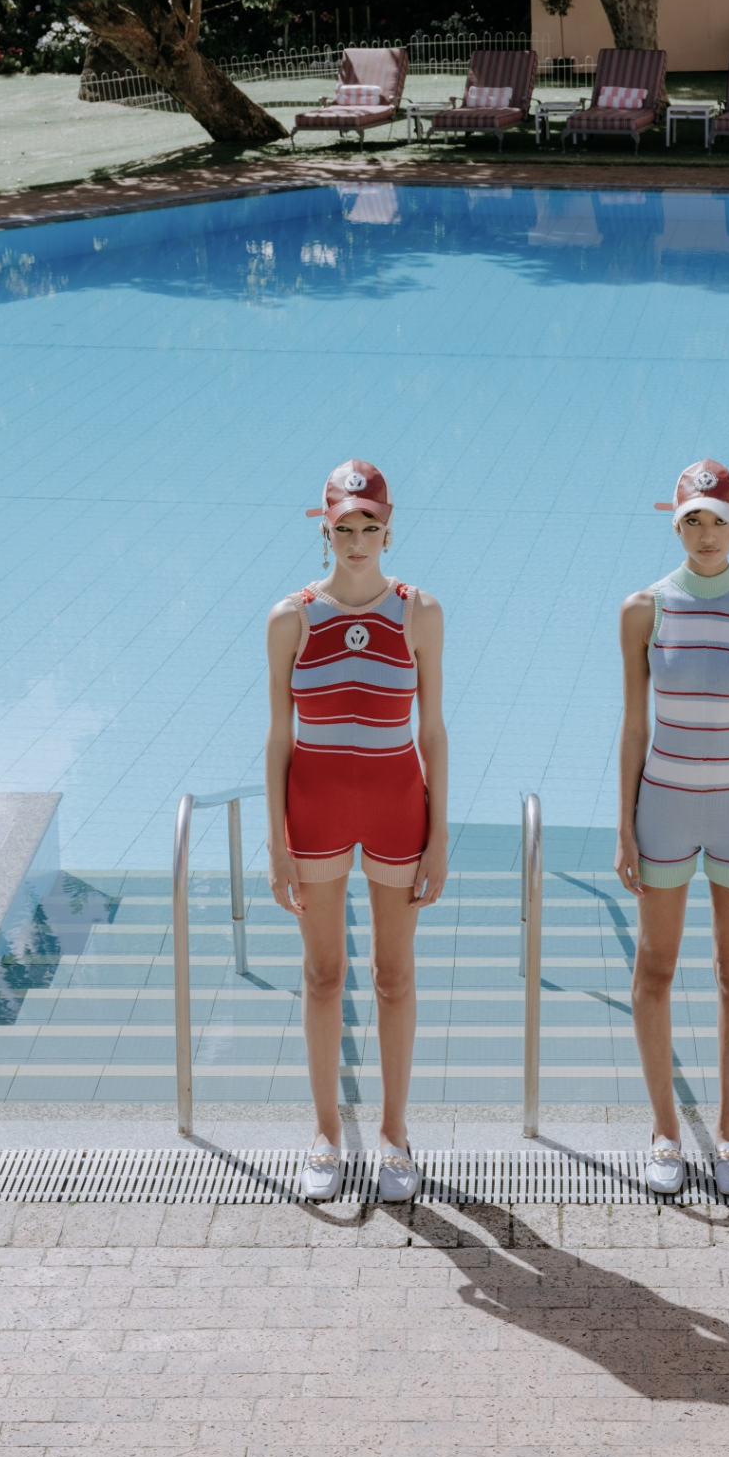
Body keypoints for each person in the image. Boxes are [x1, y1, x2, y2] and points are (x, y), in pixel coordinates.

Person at [265, 459, 448, 1202]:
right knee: (323, 975)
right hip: (314, 807)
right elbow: (279, 738)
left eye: (370, 526)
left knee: (394, 976)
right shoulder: (292, 618)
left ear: (389, 528)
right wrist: (276, 842)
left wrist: (439, 833)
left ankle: (395, 1135)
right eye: (345, 526)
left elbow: (432, 729)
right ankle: (325, 1134)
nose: (358, 539)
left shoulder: (419, 613)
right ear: (326, 528)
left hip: (398, 803)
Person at [614, 460, 729, 1198]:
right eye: (694, 519)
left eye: (719, 519)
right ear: (677, 524)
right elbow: (632, 726)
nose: (707, 532)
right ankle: (663, 1129)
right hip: (664, 807)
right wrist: (624, 827)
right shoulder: (645, 608)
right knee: (654, 970)